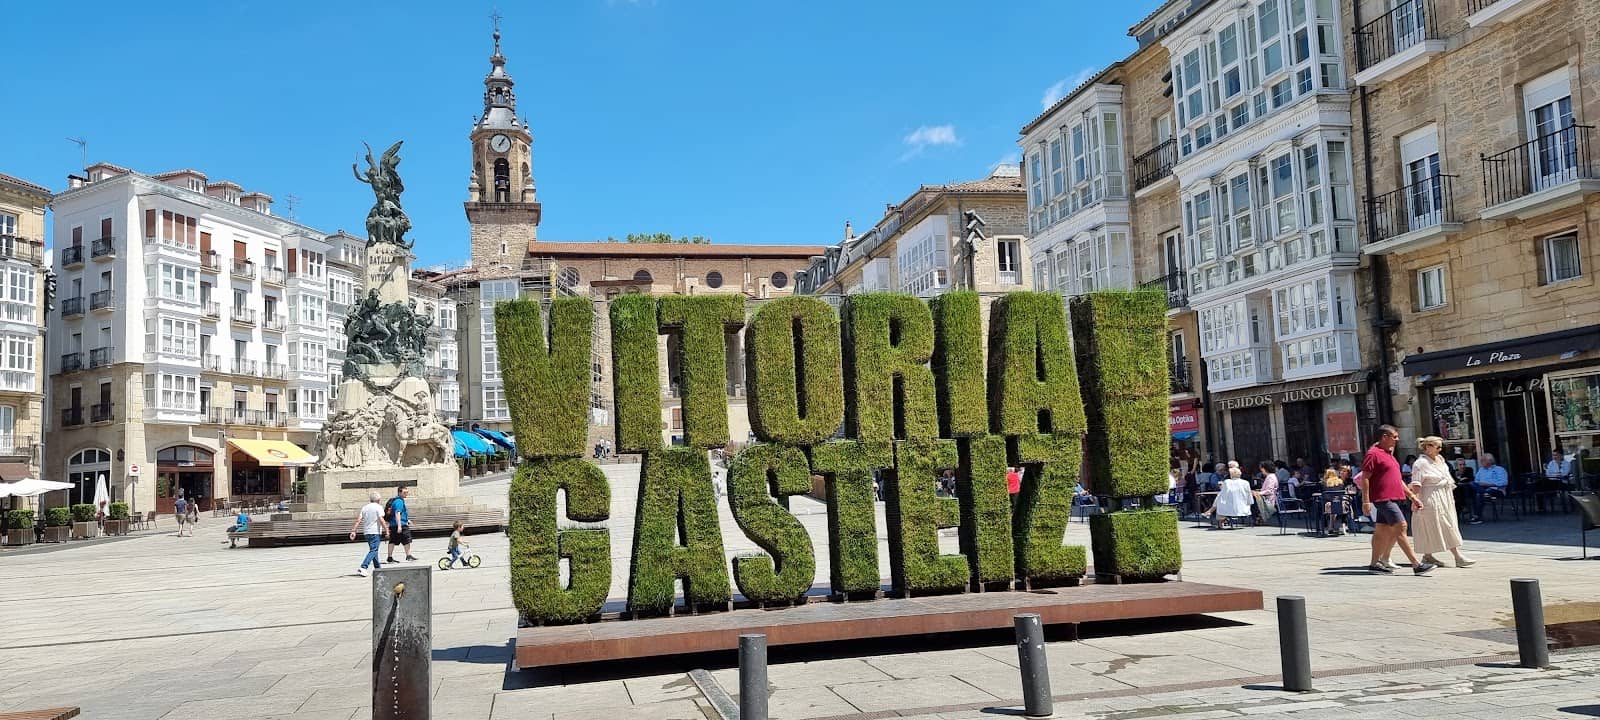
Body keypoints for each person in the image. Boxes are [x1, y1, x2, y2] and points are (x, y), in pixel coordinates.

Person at [1359, 425, 1435, 575]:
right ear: (1384, 437)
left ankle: (1375, 563)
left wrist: (1412, 496)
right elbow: (1365, 478)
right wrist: (1365, 501)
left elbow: (1397, 480)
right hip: (1382, 498)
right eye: (1394, 436)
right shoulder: (1373, 454)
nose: (1397, 439)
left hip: (1393, 497)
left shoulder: (1389, 455)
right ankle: (1416, 564)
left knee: (1381, 531)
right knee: (1401, 526)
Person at [1409, 436, 1475, 568]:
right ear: (1428, 447)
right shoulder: (1420, 464)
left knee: (1448, 523)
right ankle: (1455, 556)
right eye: (1437, 446)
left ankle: (1431, 556)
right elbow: (1416, 483)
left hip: (1445, 496)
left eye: (1441, 447)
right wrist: (1414, 499)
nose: (1440, 449)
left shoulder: (1441, 460)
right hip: (1430, 497)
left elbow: (1447, 477)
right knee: (1433, 525)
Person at [349, 491, 389, 577]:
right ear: (378, 499)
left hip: (367, 532)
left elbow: (358, 520)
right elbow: (381, 519)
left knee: (374, 550)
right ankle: (364, 567)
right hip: (375, 532)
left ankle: (378, 569)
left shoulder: (365, 508)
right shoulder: (378, 507)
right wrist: (387, 530)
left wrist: (353, 530)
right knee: (374, 550)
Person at [1468, 453, 1508, 524]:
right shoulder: (1481, 470)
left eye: (1483, 460)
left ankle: (1477, 517)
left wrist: (1488, 484)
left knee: (1478, 495)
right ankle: (1484, 493)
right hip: (1481, 488)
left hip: (1496, 489)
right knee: (1471, 484)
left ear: (1489, 461)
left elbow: (1504, 482)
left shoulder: (1500, 470)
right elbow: (1476, 481)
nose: (1481, 462)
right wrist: (1481, 484)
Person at [385, 486, 416, 563]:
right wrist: (399, 526)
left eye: (407, 492)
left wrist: (407, 520)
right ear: (399, 492)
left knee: (392, 541)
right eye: (404, 492)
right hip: (401, 524)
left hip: (393, 524)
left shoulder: (396, 501)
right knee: (407, 540)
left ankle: (390, 557)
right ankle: (408, 556)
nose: (406, 494)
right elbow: (397, 513)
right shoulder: (399, 501)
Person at [1320, 468, 1350, 536]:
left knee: (1324, 504)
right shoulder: (1340, 482)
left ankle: (1329, 527)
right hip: (1341, 505)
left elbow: (1324, 496)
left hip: (1328, 506)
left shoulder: (1324, 483)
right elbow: (1342, 494)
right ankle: (1344, 527)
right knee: (1341, 503)